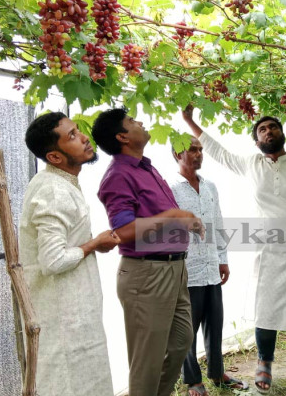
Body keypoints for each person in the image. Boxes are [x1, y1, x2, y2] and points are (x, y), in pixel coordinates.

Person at [182, 105, 286, 396]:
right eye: (262, 129)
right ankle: (264, 362)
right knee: (265, 311)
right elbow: (218, 152)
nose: (268, 131)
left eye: (273, 127)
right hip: (268, 253)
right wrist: (189, 121)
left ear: (283, 133)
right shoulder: (250, 164)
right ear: (256, 141)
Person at [93, 108, 204, 396]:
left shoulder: (147, 167)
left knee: (181, 343)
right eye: (132, 121)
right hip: (148, 275)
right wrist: (175, 215)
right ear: (122, 137)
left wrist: (184, 222)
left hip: (174, 269)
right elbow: (123, 232)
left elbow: (159, 218)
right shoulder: (118, 175)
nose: (140, 121)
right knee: (148, 361)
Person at [19, 112, 120, 395]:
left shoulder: (62, 183)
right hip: (62, 316)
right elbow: (53, 261)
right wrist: (94, 243)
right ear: (55, 157)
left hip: (75, 311)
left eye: (78, 130)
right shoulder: (53, 190)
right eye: (72, 136)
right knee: (67, 385)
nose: (84, 138)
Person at [170, 136, 248, 395]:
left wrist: (223, 259)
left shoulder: (210, 186)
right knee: (187, 330)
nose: (199, 153)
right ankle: (192, 380)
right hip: (187, 270)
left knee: (215, 325)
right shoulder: (170, 189)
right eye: (192, 149)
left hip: (211, 267)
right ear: (176, 154)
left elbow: (217, 223)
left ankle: (217, 373)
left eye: (200, 149)